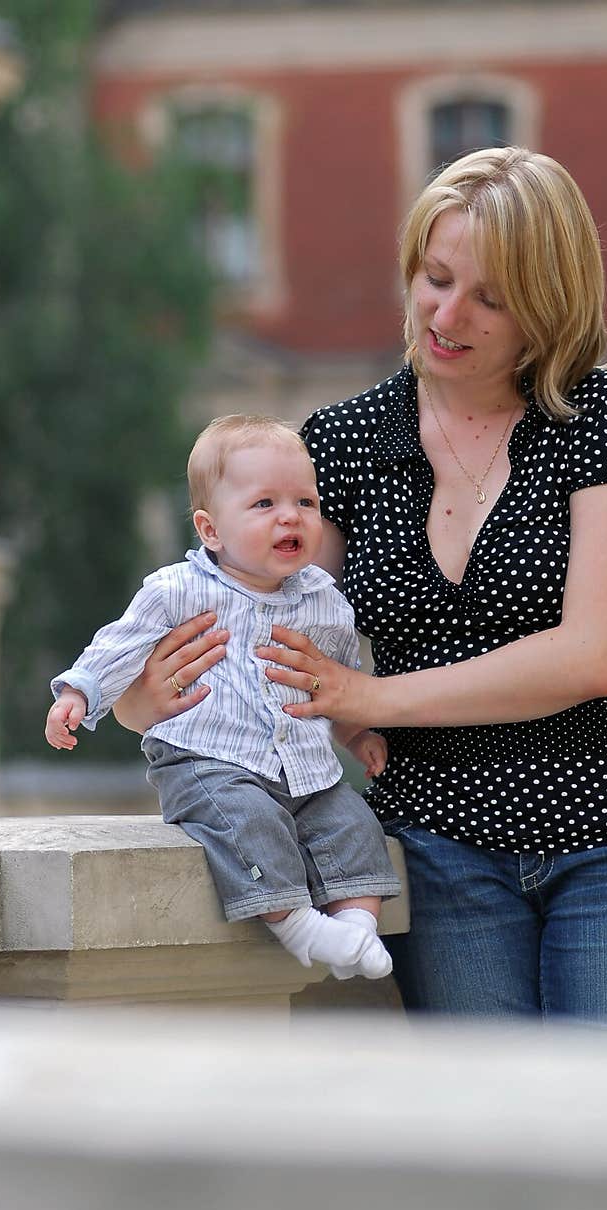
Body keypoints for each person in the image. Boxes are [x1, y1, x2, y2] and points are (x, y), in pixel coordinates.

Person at [113, 147, 607, 1024]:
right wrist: (140, 704)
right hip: (435, 842)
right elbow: (264, 628)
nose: (446, 312)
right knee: (480, 1141)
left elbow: (591, 656)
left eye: (490, 298)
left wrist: (369, 695)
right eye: (434, 277)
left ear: (547, 307)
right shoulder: (344, 441)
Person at [45, 414, 400, 980]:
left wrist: (357, 733)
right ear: (211, 530)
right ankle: (302, 929)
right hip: (205, 759)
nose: (291, 516)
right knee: (247, 822)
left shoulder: (325, 600)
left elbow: (338, 678)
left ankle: (355, 928)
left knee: (352, 819)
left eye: (306, 502)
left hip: (302, 766)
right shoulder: (178, 589)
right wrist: (78, 694)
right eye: (264, 504)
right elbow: (119, 646)